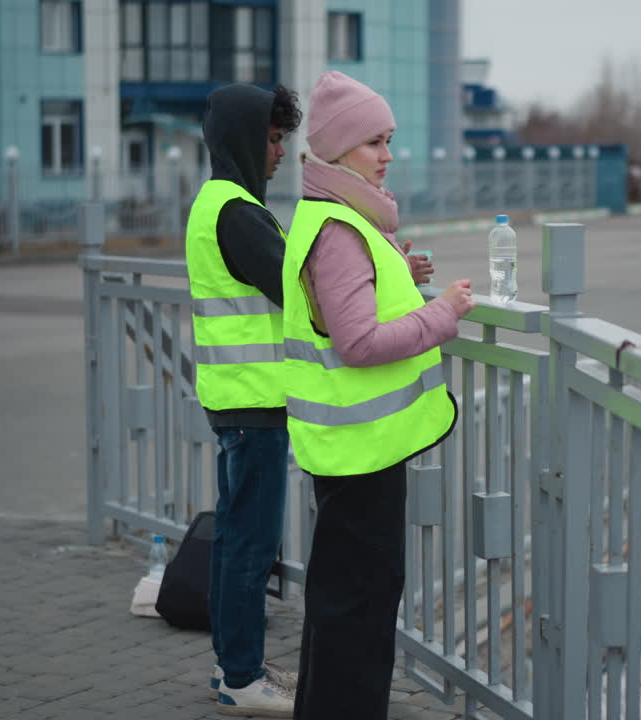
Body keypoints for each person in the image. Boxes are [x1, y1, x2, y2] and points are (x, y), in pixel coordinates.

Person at [281, 71, 476, 720]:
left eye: (389, 140)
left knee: (342, 606)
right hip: (359, 452)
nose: (388, 156)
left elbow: (351, 299)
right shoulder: (339, 228)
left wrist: (403, 270)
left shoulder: (334, 219)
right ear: (337, 153)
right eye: (375, 142)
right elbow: (359, 342)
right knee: (356, 613)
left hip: (350, 449)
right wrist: (444, 312)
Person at [185, 81, 301, 717]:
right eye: (274, 138)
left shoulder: (216, 203)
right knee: (251, 548)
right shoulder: (236, 212)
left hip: (234, 400)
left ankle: (236, 667)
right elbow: (300, 289)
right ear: (242, 139)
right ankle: (241, 680)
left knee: (234, 542)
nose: (280, 152)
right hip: (255, 407)